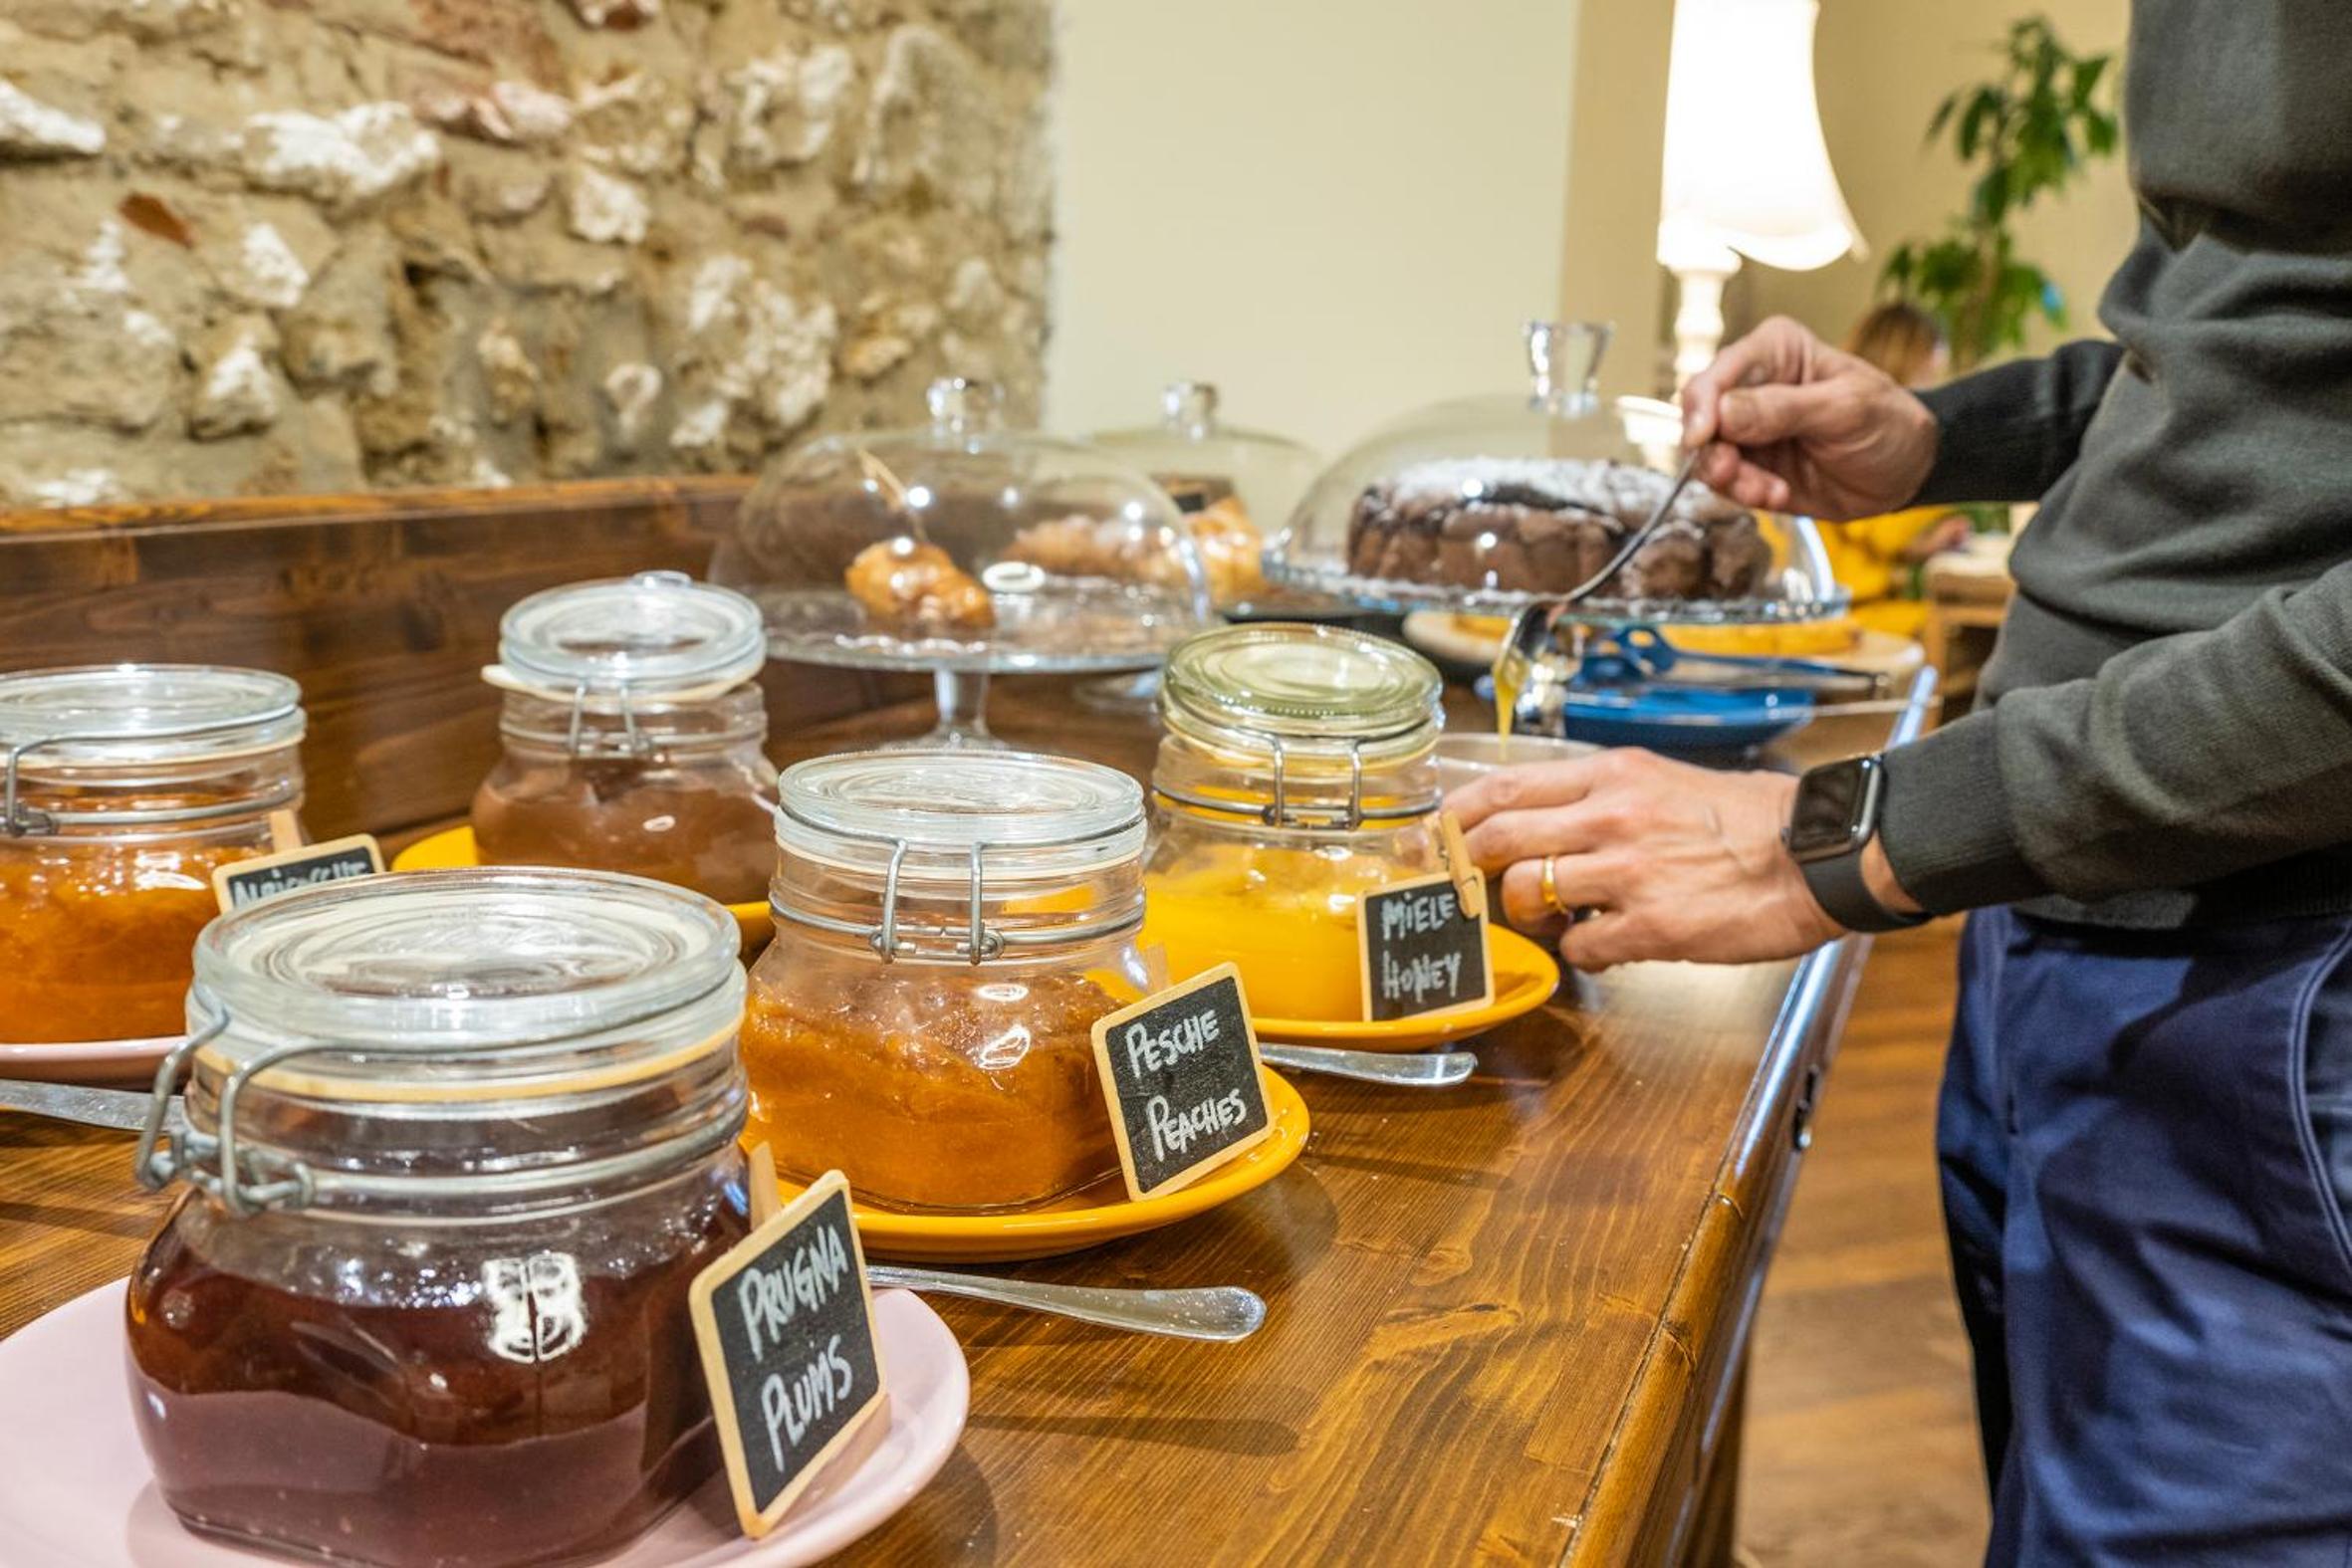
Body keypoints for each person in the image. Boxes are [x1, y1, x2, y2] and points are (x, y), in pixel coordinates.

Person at [1449, 4, 2352, 1562]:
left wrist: (1846, 832)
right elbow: (2242, 337)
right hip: (2058, 904)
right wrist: (1936, 434)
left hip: (2276, 976)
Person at [1814, 302, 1973, 638]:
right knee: (1956, 629)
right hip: (1848, 611)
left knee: (1960, 626)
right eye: (1929, 376)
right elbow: (1881, 529)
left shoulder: (1849, 418)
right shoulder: (1859, 430)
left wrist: (1932, 541)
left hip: (1859, 603)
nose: (1934, 391)